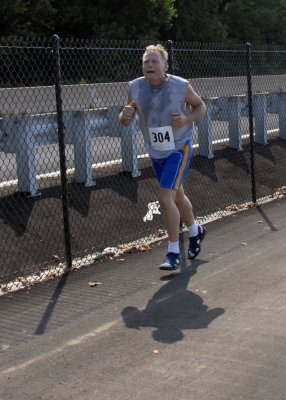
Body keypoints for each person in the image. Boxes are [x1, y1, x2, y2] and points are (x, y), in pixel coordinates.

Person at [119, 44, 207, 271]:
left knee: (165, 198)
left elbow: (201, 107)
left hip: (179, 147)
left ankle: (173, 251)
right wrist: (125, 115)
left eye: (154, 61)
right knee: (177, 196)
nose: (149, 65)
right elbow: (125, 118)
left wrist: (186, 120)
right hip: (157, 150)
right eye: (146, 61)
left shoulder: (180, 85)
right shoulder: (135, 88)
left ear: (165, 65)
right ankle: (196, 231)